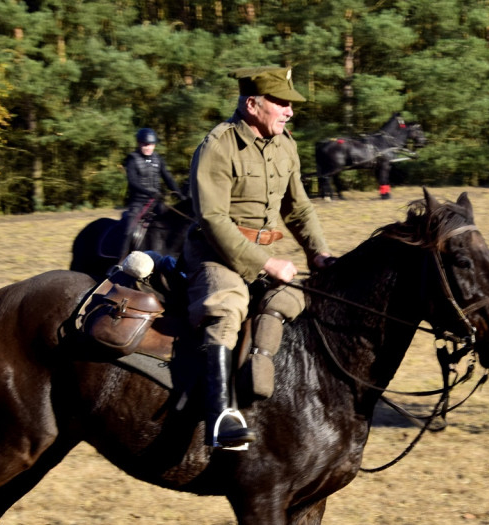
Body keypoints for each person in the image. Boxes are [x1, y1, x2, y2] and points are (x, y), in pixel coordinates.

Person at [182, 66, 334, 450]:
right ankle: (220, 419)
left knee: (297, 300)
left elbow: (298, 208)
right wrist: (267, 264)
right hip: (215, 254)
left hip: (263, 251)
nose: (289, 111)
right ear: (252, 104)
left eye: (290, 105)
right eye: (281, 103)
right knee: (228, 307)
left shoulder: (286, 146)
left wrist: (320, 253)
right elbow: (213, 219)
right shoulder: (218, 145)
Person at [123, 127, 183, 245]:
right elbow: (132, 182)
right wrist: (149, 193)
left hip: (156, 202)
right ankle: (120, 261)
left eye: (151, 144)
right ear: (139, 144)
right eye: (145, 145)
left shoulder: (158, 159)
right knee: (129, 230)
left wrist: (180, 195)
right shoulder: (132, 159)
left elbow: (168, 178)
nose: (148, 147)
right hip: (138, 203)